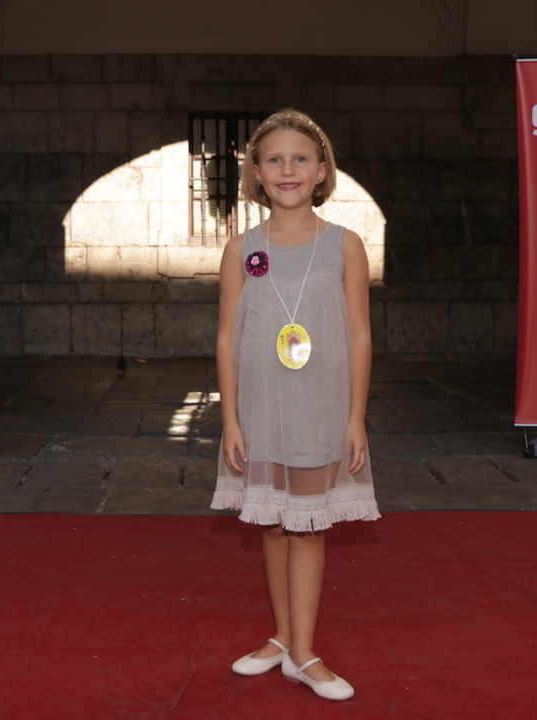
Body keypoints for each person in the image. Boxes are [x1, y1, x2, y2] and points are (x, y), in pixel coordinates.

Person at [211, 108, 380, 702]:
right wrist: (230, 418)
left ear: (321, 170)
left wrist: (355, 417)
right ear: (257, 173)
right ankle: (283, 638)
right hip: (262, 408)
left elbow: (359, 334)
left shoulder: (344, 244)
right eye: (275, 160)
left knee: (307, 527)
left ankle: (304, 655)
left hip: (319, 408)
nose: (288, 170)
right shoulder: (242, 248)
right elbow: (227, 337)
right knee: (274, 520)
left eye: (300, 159)